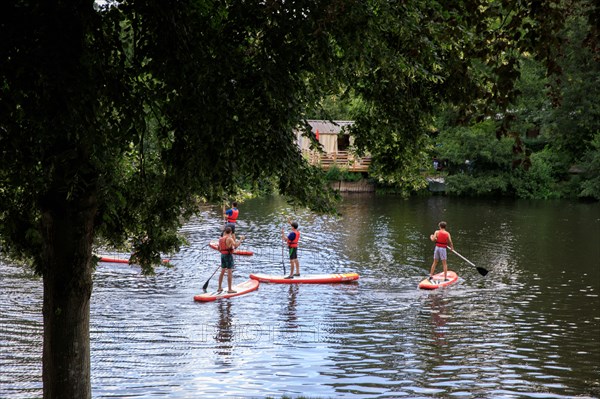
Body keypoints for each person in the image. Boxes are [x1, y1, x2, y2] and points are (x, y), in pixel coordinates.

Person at [217, 227, 244, 293]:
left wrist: (223, 253)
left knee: (222, 271)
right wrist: (240, 240)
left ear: (225, 232)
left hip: (222, 255)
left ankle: (219, 287)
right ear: (231, 232)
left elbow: (218, 248)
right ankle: (230, 289)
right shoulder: (230, 238)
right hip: (228, 256)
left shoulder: (220, 239)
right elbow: (236, 246)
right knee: (229, 272)